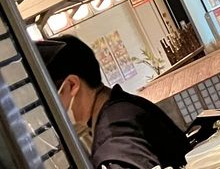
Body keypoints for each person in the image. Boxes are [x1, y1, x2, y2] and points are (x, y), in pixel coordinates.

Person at [36, 35, 189, 169]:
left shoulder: (116, 136)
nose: (48, 113)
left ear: (72, 85)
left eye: (47, 101)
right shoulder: (123, 108)